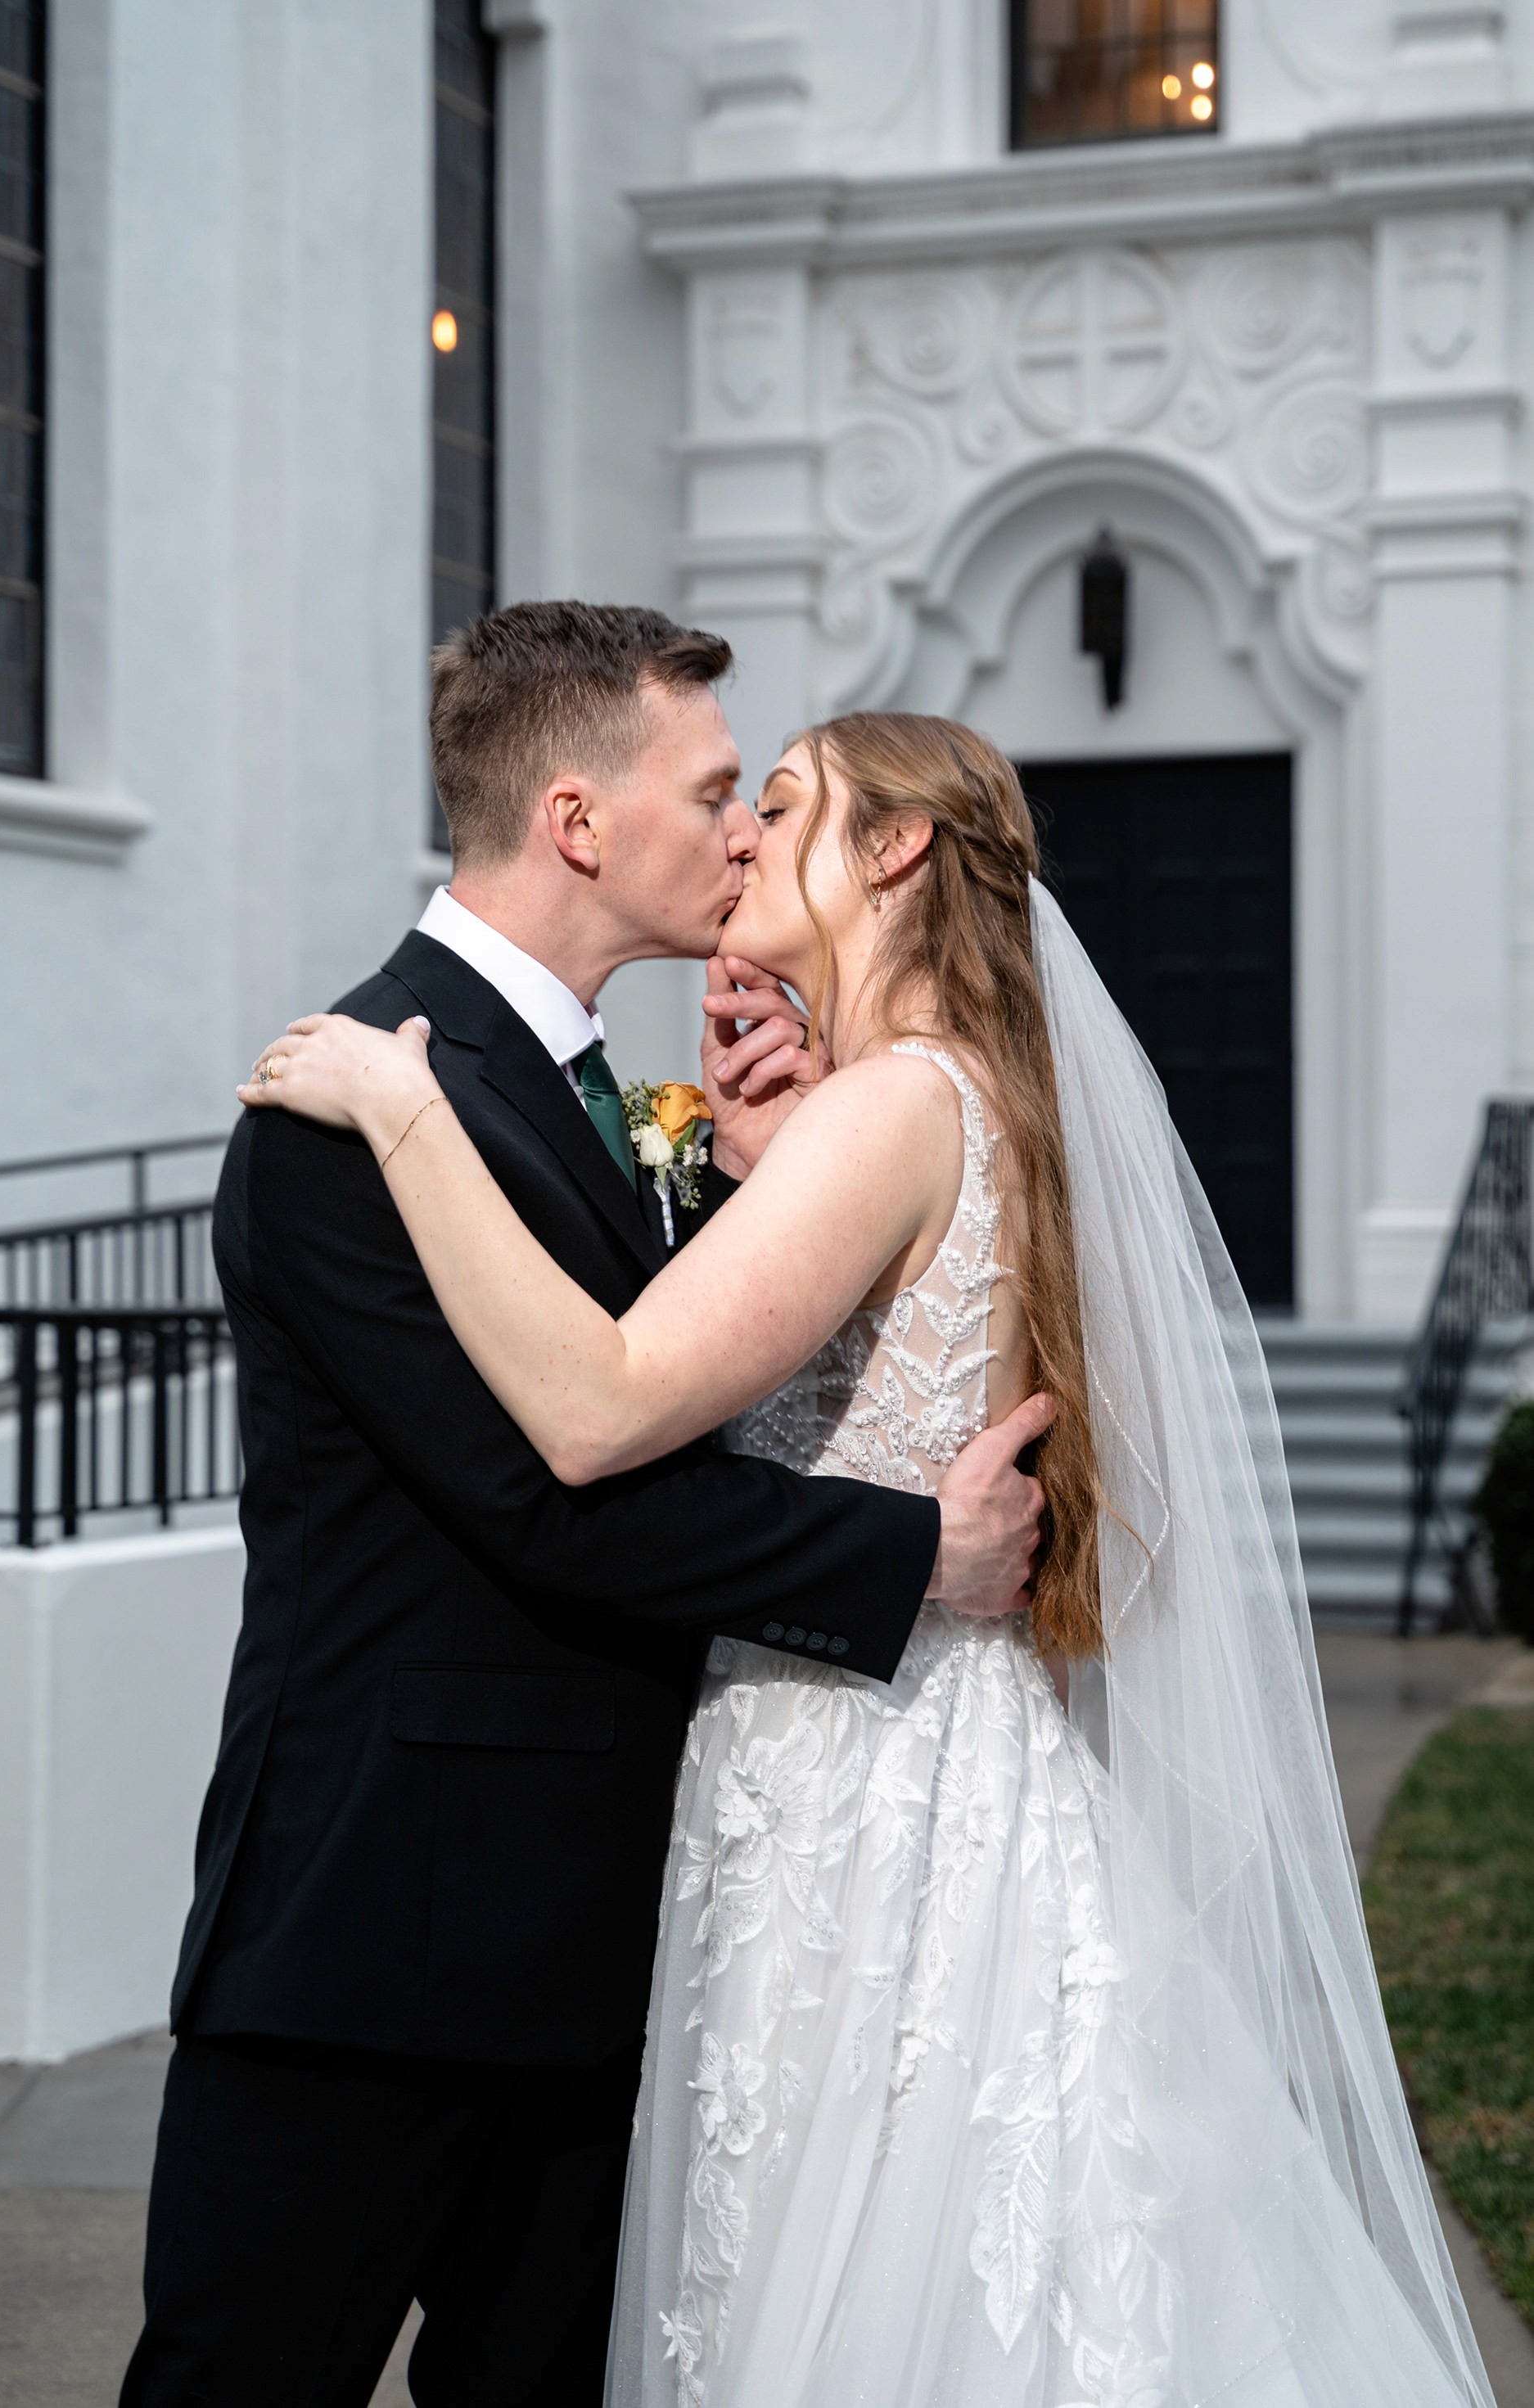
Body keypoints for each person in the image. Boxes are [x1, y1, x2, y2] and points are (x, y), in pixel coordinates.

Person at [244, 709, 1496, 2408]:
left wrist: (404, 1112)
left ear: (896, 850)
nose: (744, 839)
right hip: (906, 1752)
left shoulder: (892, 1106)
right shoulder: (953, 1098)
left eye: (773, 804)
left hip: (863, 1790)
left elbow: (602, 1406)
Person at [121, 608, 1051, 2408]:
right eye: (716, 792)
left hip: (599, 1932)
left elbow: (675, 1393)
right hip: (377, 1935)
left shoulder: (605, 1096)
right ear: (573, 819)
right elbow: (538, 1497)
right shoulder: (352, 1096)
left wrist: (723, 1186)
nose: (740, 832)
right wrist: (904, 1551)